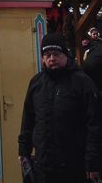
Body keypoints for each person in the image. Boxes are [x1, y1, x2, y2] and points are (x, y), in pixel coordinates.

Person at [18, 32, 102, 183]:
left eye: (56, 54)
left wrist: (92, 162)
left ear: (65, 55)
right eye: (47, 55)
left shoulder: (83, 83)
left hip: (74, 167)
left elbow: (94, 124)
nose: (52, 58)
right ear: (43, 58)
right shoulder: (36, 83)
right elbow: (28, 118)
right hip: (42, 166)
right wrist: (23, 151)